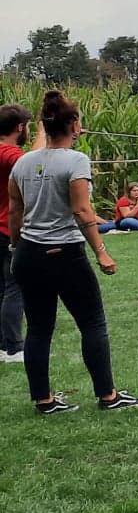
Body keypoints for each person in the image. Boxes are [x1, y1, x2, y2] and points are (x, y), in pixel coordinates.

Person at [7, 91, 138, 413]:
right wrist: (101, 252)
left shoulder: (23, 161)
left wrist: (17, 246)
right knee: (92, 323)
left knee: (39, 327)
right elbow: (83, 211)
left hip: (29, 253)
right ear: (74, 124)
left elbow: (16, 211)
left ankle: (44, 401)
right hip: (65, 253)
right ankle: (108, 396)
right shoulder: (77, 160)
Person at [0, 103, 27, 366]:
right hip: (5, 229)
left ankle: (2, 345)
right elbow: (31, 164)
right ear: (20, 128)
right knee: (14, 287)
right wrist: (50, 133)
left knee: (2, 287)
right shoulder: (8, 151)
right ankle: (14, 347)